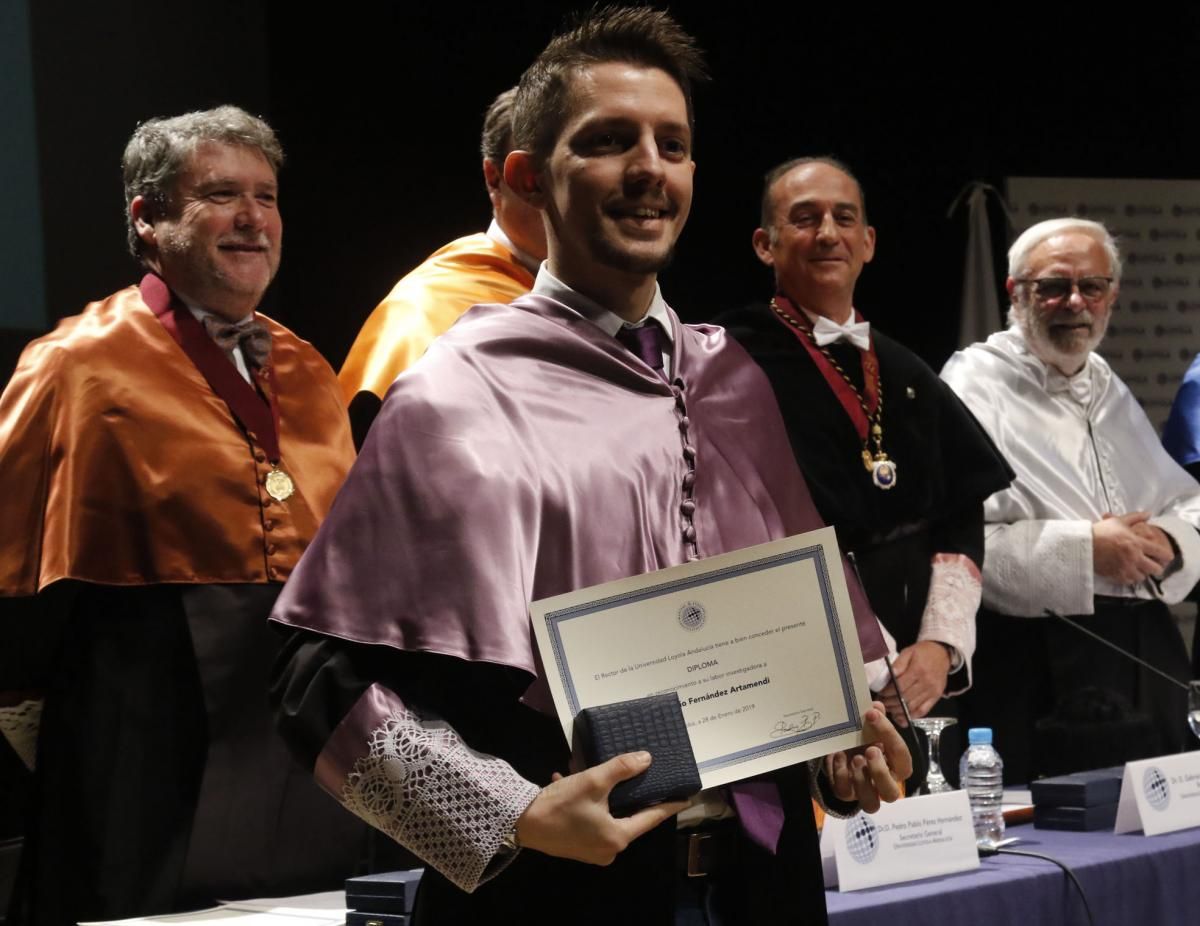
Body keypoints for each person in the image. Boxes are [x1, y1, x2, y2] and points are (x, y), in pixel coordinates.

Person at [269, 9, 909, 925]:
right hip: (558, 901)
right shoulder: (459, 387)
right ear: (528, 178)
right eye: (609, 142)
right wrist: (509, 813)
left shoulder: (730, 377)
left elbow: (800, 655)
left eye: (673, 144)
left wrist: (843, 755)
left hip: (765, 886)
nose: (649, 167)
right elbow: (309, 684)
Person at [0, 105, 366, 924]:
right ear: (148, 217)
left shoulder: (307, 365)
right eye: (220, 194)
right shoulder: (72, 364)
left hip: (294, 722)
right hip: (138, 728)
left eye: (266, 197)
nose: (252, 219)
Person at [717, 158, 1012, 730]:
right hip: (804, 666)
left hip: (921, 683)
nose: (828, 233)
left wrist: (940, 648)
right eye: (804, 218)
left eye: (843, 218)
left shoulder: (906, 368)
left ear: (869, 242)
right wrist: (869, 657)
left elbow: (960, 511)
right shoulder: (726, 361)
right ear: (764, 244)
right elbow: (746, 530)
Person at [942, 217, 1199, 783]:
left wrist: (1167, 540)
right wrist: (1086, 549)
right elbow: (958, 548)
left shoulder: (1105, 383)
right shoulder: (973, 383)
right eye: (1053, 287)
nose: (1075, 302)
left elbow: (1187, 502)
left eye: (1093, 286)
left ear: (1112, 295)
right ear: (1015, 293)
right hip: (1041, 660)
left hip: (1144, 654)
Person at [338, 87, 548, 445]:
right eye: (533, 173)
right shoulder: (422, 315)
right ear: (494, 179)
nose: (557, 188)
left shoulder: (617, 308)